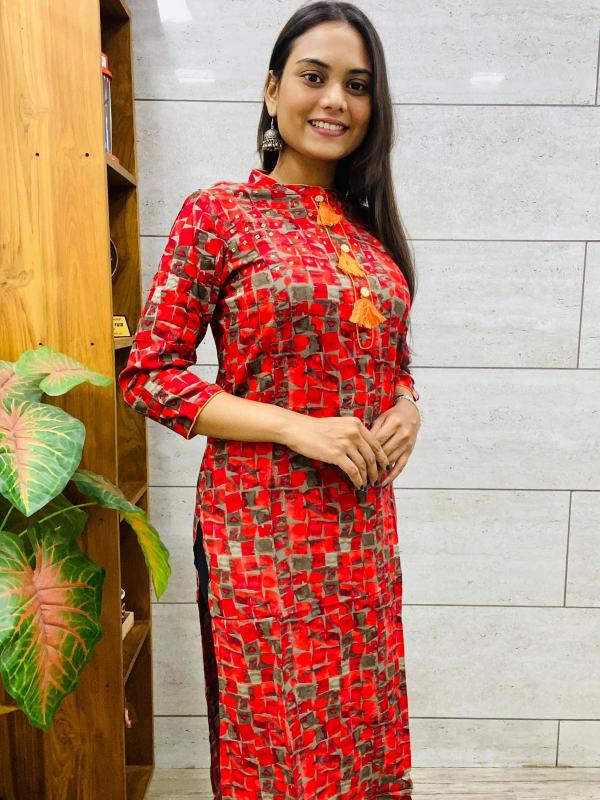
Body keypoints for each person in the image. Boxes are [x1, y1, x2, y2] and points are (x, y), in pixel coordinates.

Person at [118, 2, 421, 797]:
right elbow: (151, 373)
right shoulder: (219, 215)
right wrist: (296, 428)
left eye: (358, 85)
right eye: (314, 77)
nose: (336, 101)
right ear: (271, 89)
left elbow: (390, 360)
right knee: (276, 732)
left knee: (359, 721)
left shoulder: (369, 233)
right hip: (260, 529)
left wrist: (407, 406)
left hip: (361, 528)